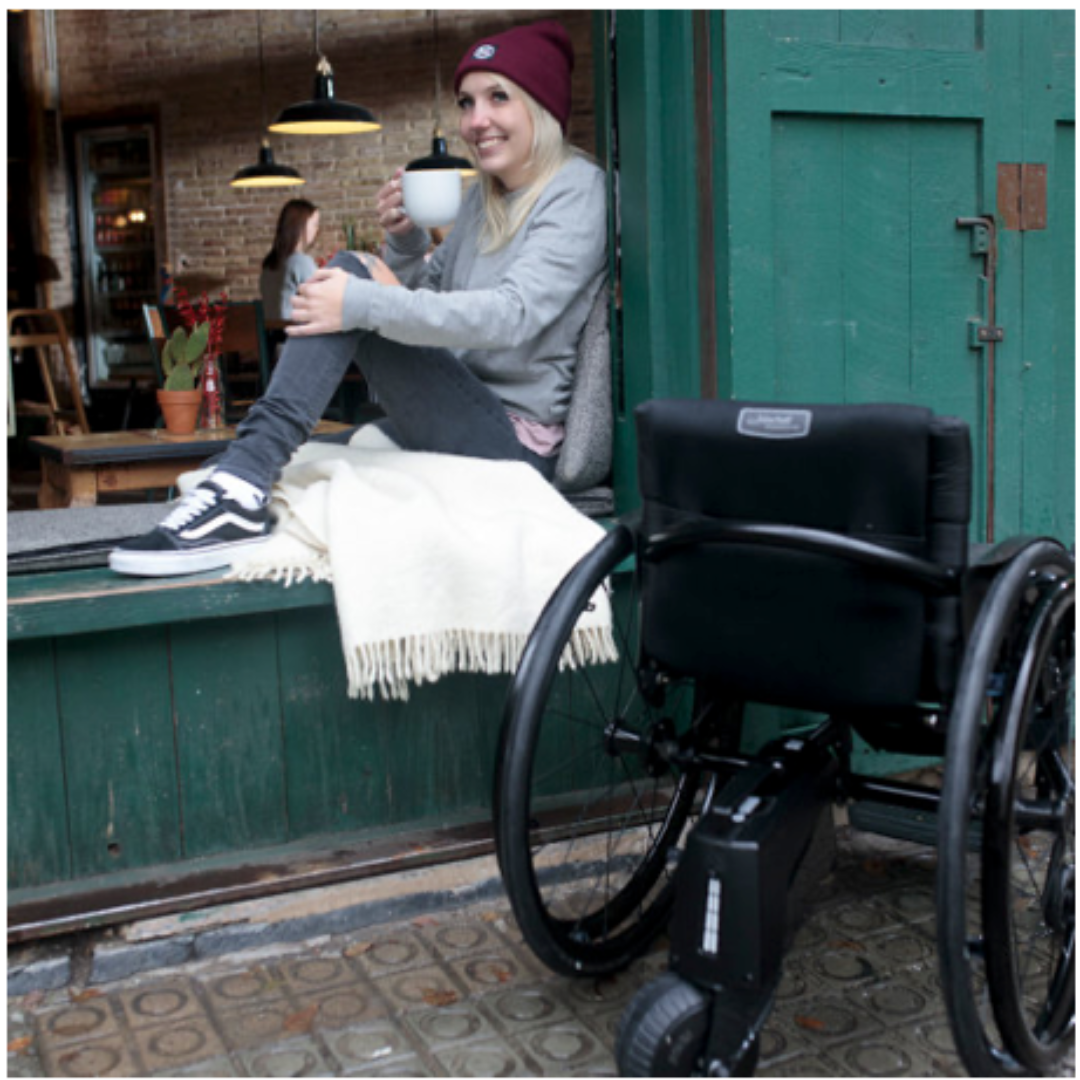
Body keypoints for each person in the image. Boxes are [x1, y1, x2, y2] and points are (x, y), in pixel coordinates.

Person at [110, 20, 607, 577]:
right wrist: (406, 243)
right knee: (302, 446)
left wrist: (359, 301)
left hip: (511, 443)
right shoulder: (483, 199)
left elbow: (511, 317)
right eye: (467, 102)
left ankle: (240, 484)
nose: (475, 121)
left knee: (348, 278)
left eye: (498, 97)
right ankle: (240, 479)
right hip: (459, 407)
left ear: (541, 105)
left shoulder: (576, 189)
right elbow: (423, 300)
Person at [259, 198, 320, 321]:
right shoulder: (301, 262)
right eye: (314, 224)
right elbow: (321, 301)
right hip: (295, 330)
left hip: (271, 332)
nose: (317, 229)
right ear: (300, 225)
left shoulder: (269, 264)